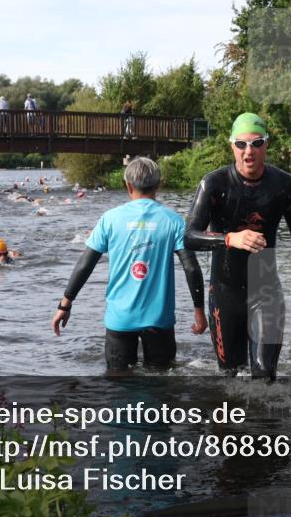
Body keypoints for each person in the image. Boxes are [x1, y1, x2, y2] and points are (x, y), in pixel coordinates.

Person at [185, 112, 291, 380]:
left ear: (266, 145)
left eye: (257, 143)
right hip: (225, 294)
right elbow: (188, 236)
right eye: (241, 144)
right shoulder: (214, 184)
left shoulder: (284, 185)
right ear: (231, 146)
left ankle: (264, 423)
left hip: (266, 293)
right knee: (229, 378)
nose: (249, 152)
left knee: (265, 375)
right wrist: (229, 238)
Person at [52, 157, 207, 372]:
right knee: (162, 385)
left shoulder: (110, 219)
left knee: (118, 384)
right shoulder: (174, 221)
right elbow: (191, 268)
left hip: (120, 320)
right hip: (159, 321)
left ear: (128, 185)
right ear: (159, 184)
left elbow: (85, 264)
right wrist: (199, 311)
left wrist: (65, 304)